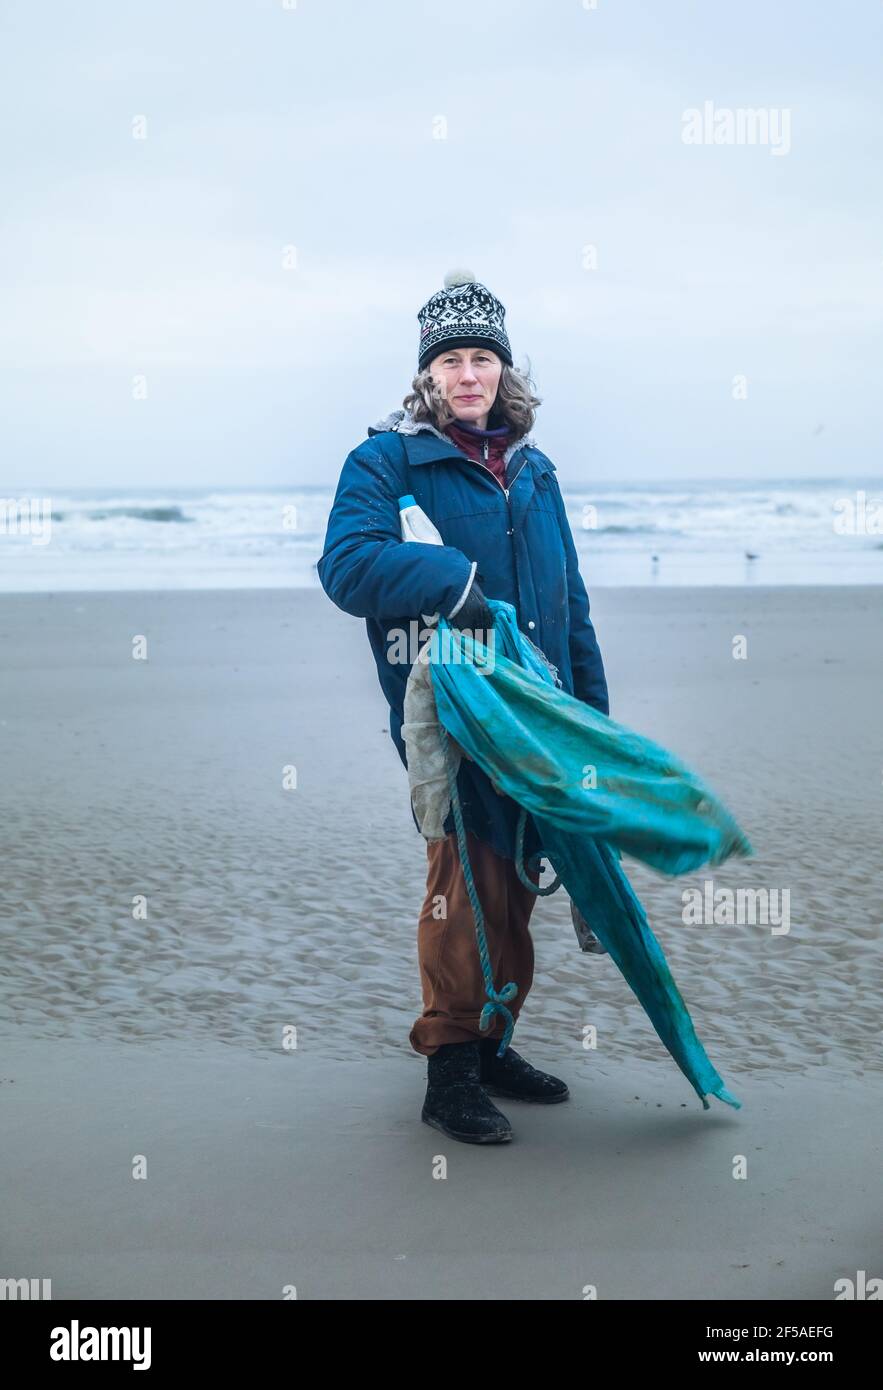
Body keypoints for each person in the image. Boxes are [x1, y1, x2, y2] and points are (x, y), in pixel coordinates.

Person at [317, 269, 609, 1145]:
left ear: (503, 371)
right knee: (462, 882)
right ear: (428, 376)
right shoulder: (385, 461)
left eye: (482, 357)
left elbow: (571, 604)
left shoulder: (534, 470)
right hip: (448, 710)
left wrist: (593, 714)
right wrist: (458, 584)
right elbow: (348, 569)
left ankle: (490, 1046)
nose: (467, 374)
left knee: (516, 881)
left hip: (540, 712)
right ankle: (448, 1070)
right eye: (450, 361)